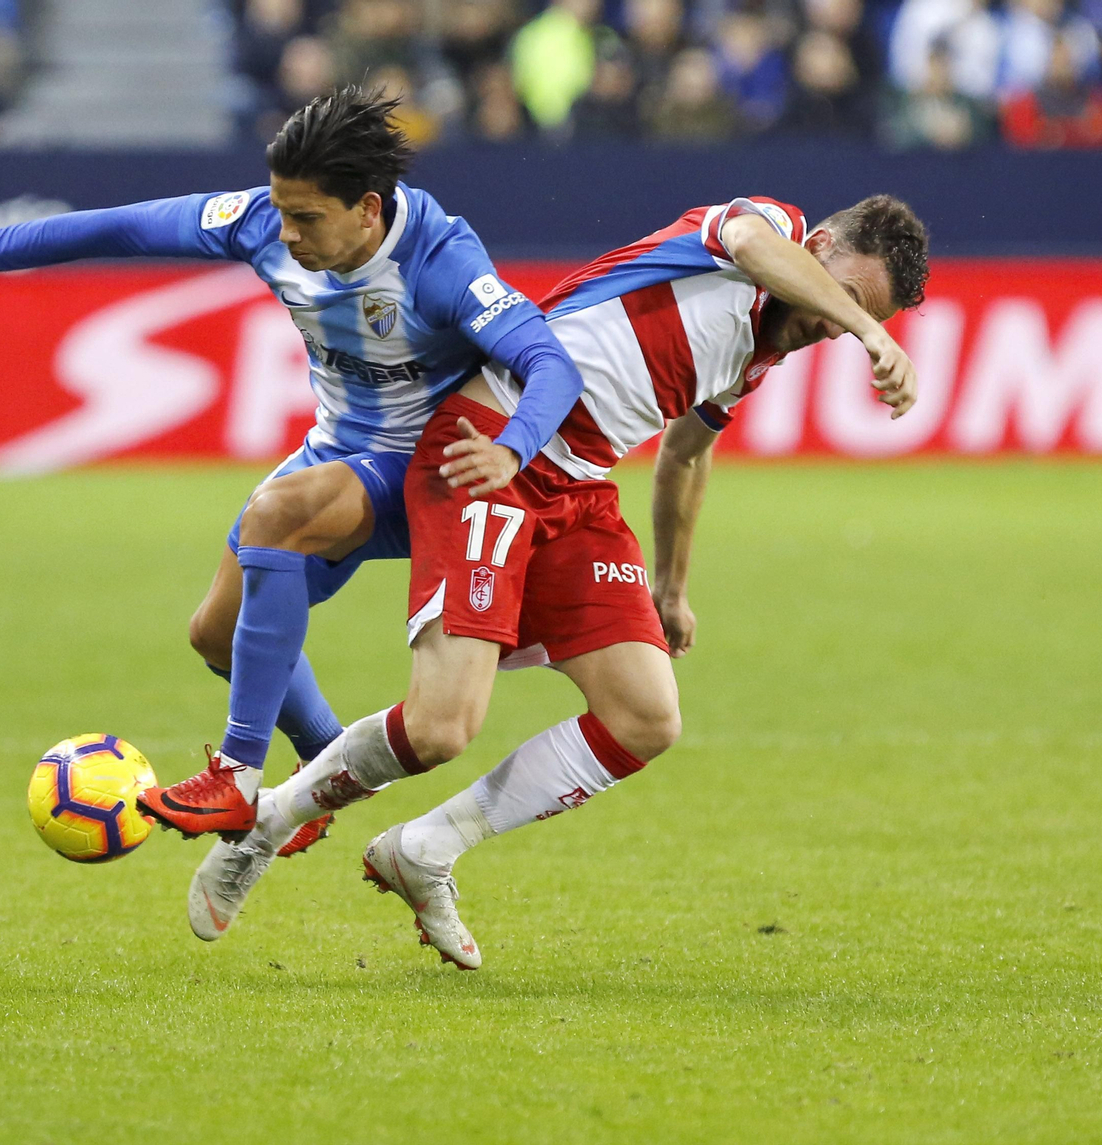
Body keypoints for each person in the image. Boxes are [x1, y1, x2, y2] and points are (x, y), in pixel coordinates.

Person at [184, 194, 929, 968]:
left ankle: (424, 848)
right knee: (441, 728)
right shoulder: (763, 229)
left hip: (576, 491)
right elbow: (744, 240)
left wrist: (671, 588)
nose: (833, 324)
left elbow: (683, 452)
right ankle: (267, 822)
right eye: (842, 299)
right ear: (823, 243)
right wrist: (875, 333)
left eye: (852, 320)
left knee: (645, 716)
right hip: (492, 449)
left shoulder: (760, 354)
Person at [0, 87, 585, 852]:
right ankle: (324, 760)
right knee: (215, 632)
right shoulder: (264, 224)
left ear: (369, 210)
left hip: (430, 472)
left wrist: (509, 445)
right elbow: (124, 226)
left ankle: (238, 777)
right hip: (340, 449)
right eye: (281, 210)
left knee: (274, 514)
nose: (286, 234)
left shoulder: (440, 262)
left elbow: (550, 362)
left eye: (306, 218)